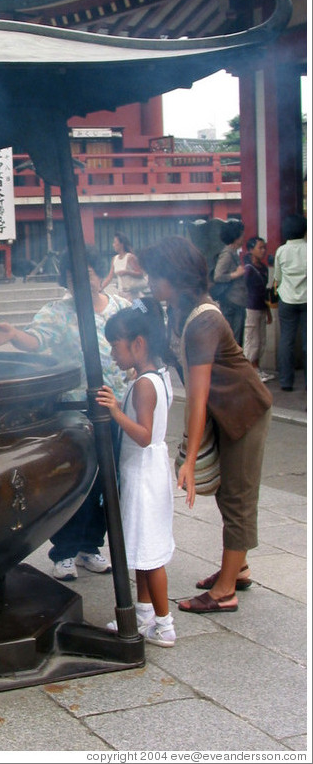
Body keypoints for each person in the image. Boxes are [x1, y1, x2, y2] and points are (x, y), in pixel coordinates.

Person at [138, 235, 272, 615]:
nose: (150, 282)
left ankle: (226, 590)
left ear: (174, 276)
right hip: (224, 409)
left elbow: (196, 398)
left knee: (238, 497)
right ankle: (239, 567)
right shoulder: (181, 310)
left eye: (154, 276)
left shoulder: (203, 322)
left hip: (245, 410)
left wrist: (190, 458)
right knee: (229, 493)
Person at [0, 246, 130, 580]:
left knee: (109, 484)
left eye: (85, 273)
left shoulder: (120, 308)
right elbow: (36, 339)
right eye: (70, 276)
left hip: (119, 408)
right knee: (76, 482)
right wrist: (13, 335)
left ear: (98, 273)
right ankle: (63, 550)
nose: (78, 281)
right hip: (77, 411)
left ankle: (90, 546)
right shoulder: (57, 312)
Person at [97, 298, 176, 647]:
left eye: (116, 345)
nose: (113, 353)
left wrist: (115, 410)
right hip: (149, 473)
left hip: (143, 475)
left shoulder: (145, 385)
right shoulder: (157, 376)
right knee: (143, 552)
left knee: (151, 556)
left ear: (138, 344)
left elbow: (143, 435)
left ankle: (165, 624)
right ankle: (144, 615)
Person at [273, 213, 307, 392]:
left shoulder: (281, 251)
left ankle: (286, 382)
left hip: (286, 299)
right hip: (307, 300)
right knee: (307, 342)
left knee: (286, 340)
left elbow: (277, 277)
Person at [243, 236, 274, 382]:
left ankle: (257, 368)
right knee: (252, 340)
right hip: (251, 308)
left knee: (261, 340)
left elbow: (264, 291)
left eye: (264, 248)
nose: (263, 251)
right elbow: (244, 288)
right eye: (259, 248)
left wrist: (268, 311)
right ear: (251, 250)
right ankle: (249, 370)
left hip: (261, 307)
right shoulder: (248, 269)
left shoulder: (263, 269)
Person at [212, 219, 246, 346]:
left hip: (236, 300)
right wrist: (236, 274)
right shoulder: (227, 254)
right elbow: (218, 275)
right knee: (234, 339)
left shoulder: (233, 253)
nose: (243, 238)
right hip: (231, 301)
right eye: (241, 235)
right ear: (235, 237)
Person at [101, 232, 148, 301]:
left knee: (140, 309)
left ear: (121, 244)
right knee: (126, 310)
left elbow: (140, 274)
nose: (113, 245)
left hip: (133, 294)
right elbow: (109, 277)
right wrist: (100, 288)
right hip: (122, 293)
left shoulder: (130, 257)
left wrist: (127, 272)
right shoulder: (114, 259)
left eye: (115, 242)